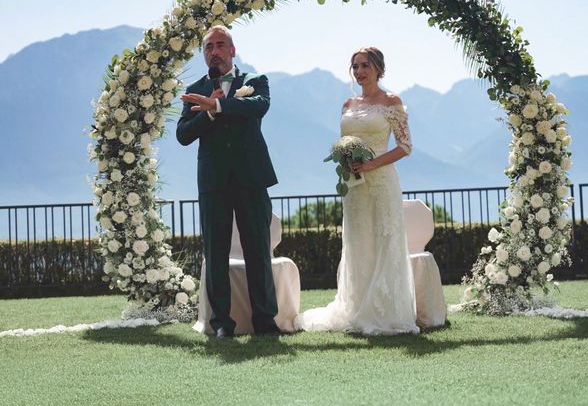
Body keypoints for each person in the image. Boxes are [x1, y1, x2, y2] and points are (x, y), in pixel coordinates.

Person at [295, 47, 419, 335]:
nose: (359, 71)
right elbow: (345, 140)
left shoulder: (392, 101)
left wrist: (372, 164)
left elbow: (405, 146)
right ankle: (356, 307)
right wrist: (347, 160)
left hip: (382, 183)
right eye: (355, 66)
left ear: (378, 68)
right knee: (358, 240)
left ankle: (384, 311)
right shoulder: (347, 103)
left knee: (383, 239)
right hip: (354, 185)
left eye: (365, 65)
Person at [177, 25, 279, 338]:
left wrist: (219, 105)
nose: (214, 51)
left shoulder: (254, 81)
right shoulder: (194, 89)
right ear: (203, 53)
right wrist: (206, 114)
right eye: (208, 47)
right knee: (216, 252)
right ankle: (221, 323)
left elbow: (258, 106)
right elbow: (183, 135)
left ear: (232, 50)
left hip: (251, 176)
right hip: (213, 181)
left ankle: (265, 321)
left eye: (220, 45)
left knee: (258, 251)